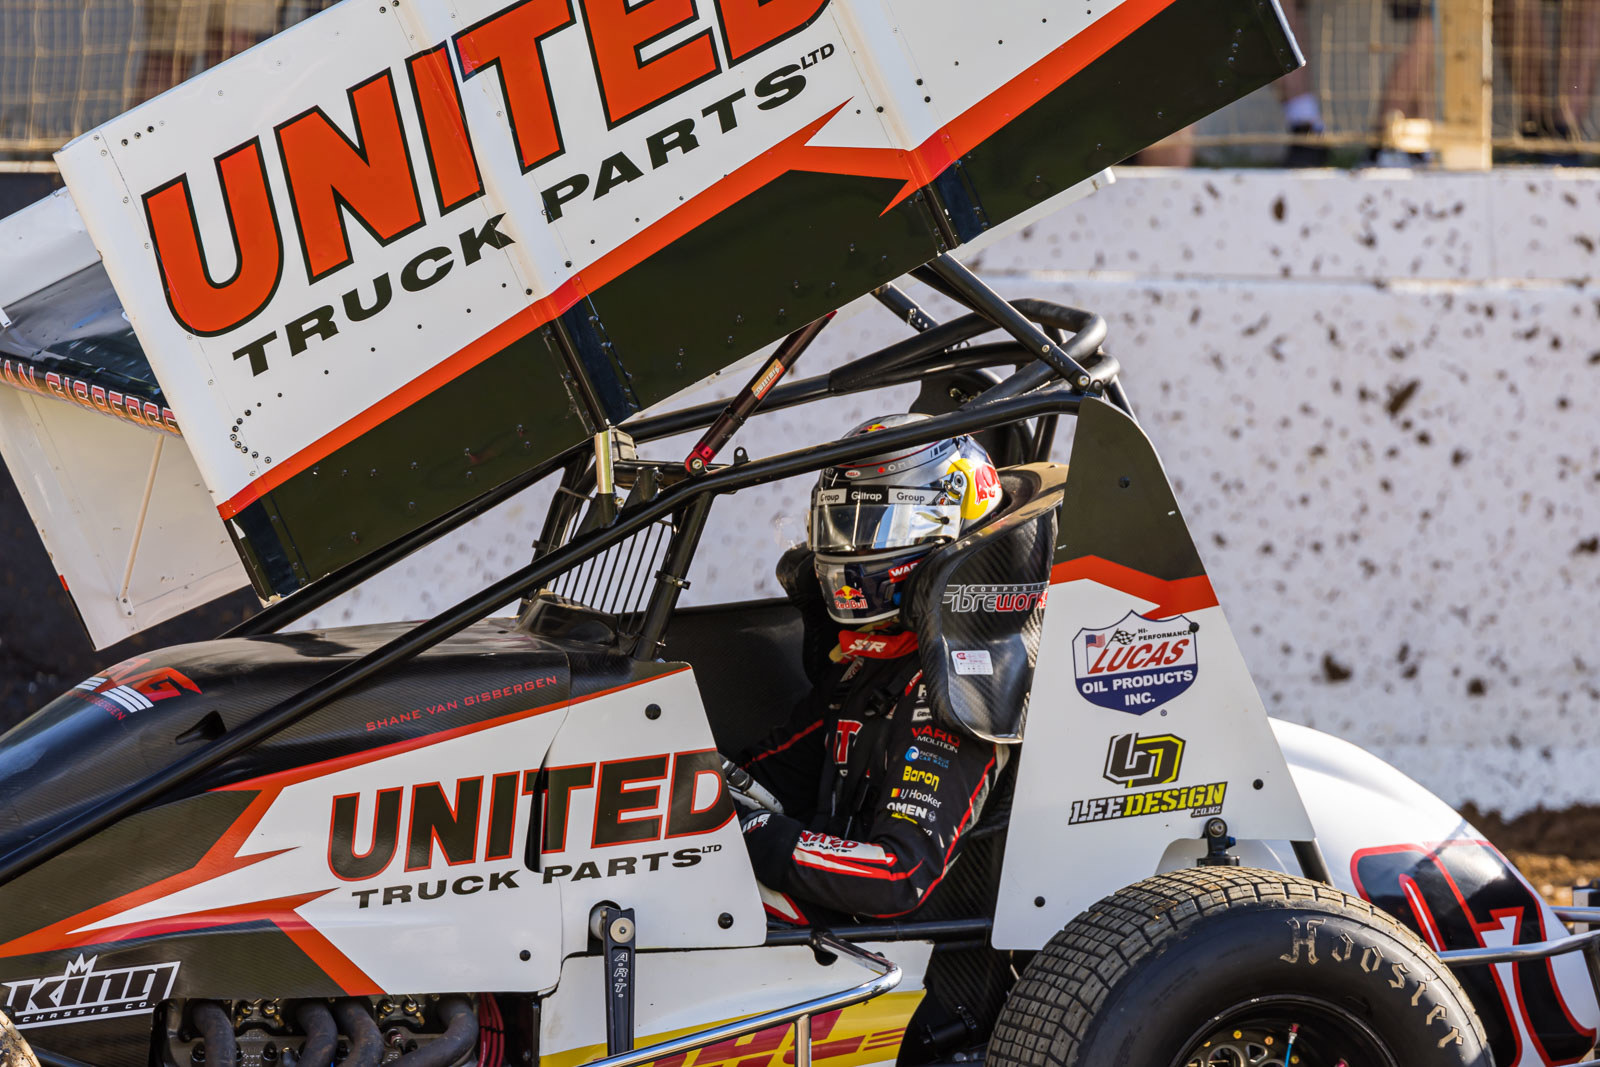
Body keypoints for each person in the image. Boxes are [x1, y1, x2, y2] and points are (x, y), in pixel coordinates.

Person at [723, 414, 1011, 924]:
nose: (853, 550)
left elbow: (899, 875)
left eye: (880, 528)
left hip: (880, 940)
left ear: (951, 532)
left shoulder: (960, 687)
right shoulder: (871, 662)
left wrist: (759, 836)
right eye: (843, 526)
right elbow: (762, 775)